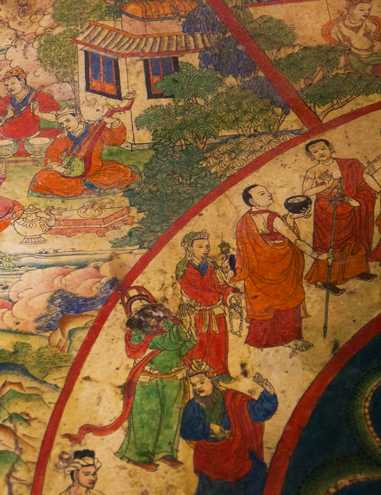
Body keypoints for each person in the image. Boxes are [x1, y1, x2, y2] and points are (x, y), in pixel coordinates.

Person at [232, 184, 326, 350]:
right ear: (253, 201)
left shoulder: (245, 220)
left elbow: (274, 231)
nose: (270, 194)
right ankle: (290, 339)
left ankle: (262, 340)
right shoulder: (272, 217)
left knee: (265, 304)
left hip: (258, 271)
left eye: (267, 191)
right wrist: (317, 255)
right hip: (281, 267)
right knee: (286, 301)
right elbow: (295, 240)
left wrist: (293, 217)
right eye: (263, 193)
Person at [111, 302, 195, 471]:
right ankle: (139, 456)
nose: (162, 321)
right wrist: (183, 328)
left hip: (173, 379)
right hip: (148, 382)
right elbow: (168, 342)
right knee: (147, 420)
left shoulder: (170, 327)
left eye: (163, 318)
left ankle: (165, 451)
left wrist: (190, 336)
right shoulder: (138, 334)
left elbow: (181, 349)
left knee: (171, 418)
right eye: (158, 318)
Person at [180, 363, 278, 495]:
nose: (197, 387)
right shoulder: (194, 406)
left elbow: (257, 413)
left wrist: (269, 394)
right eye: (194, 385)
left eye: (201, 382)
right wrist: (209, 427)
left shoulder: (233, 400)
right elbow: (185, 429)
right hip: (210, 462)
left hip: (236, 455)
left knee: (259, 472)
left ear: (212, 379)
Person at [302, 139, 379, 293]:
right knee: (329, 244)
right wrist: (325, 186)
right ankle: (325, 280)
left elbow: (363, 183)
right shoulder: (313, 171)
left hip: (348, 207)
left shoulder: (348, 164)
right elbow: (306, 191)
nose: (320, 153)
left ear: (330, 148)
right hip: (326, 210)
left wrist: (355, 200)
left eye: (323, 148)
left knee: (354, 238)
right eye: (315, 151)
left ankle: (357, 270)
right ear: (311, 155)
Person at [28, 107, 139, 198]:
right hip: (69, 171)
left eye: (67, 120)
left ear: (78, 117)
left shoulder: (96, 130)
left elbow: (116, 140)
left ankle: (84, 184)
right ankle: (86, 184)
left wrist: (115, 122)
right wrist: (56, 165)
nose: (65, 125)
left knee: (122, 171)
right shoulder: (65, 136)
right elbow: (53, 150)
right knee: (42, 176)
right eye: (62, 124)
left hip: (95, 170)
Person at [176, 230, 235, 378]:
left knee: (218, 343)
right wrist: (213, 296)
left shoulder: (211, 265)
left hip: (215, 312)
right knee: (197, 343)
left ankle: (220, 371)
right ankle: (194, 370)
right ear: (190, 248)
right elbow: (191, 292)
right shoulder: (183, 268)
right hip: (197, 312)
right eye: (200, 246)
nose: (205, 249)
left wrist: (230, 295)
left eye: (207, 246)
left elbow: (221, 285)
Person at [0, 66, 60, 155]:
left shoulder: (38, 96)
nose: (9, 87)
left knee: (58, 135)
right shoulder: (6, 100)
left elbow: (57, 116)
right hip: (5, 139)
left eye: (12, 83)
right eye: (7, 85)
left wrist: (39, 113)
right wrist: (5, 117)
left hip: (33, 138)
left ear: (22, 81)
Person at [322, 0, 381, 75]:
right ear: (352, 10)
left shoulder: (369, 24)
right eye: (361, 9)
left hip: (375, 54)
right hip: (357, 60)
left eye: (369, 10)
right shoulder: (338, 27)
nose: (367, 12)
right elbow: (339, 49)